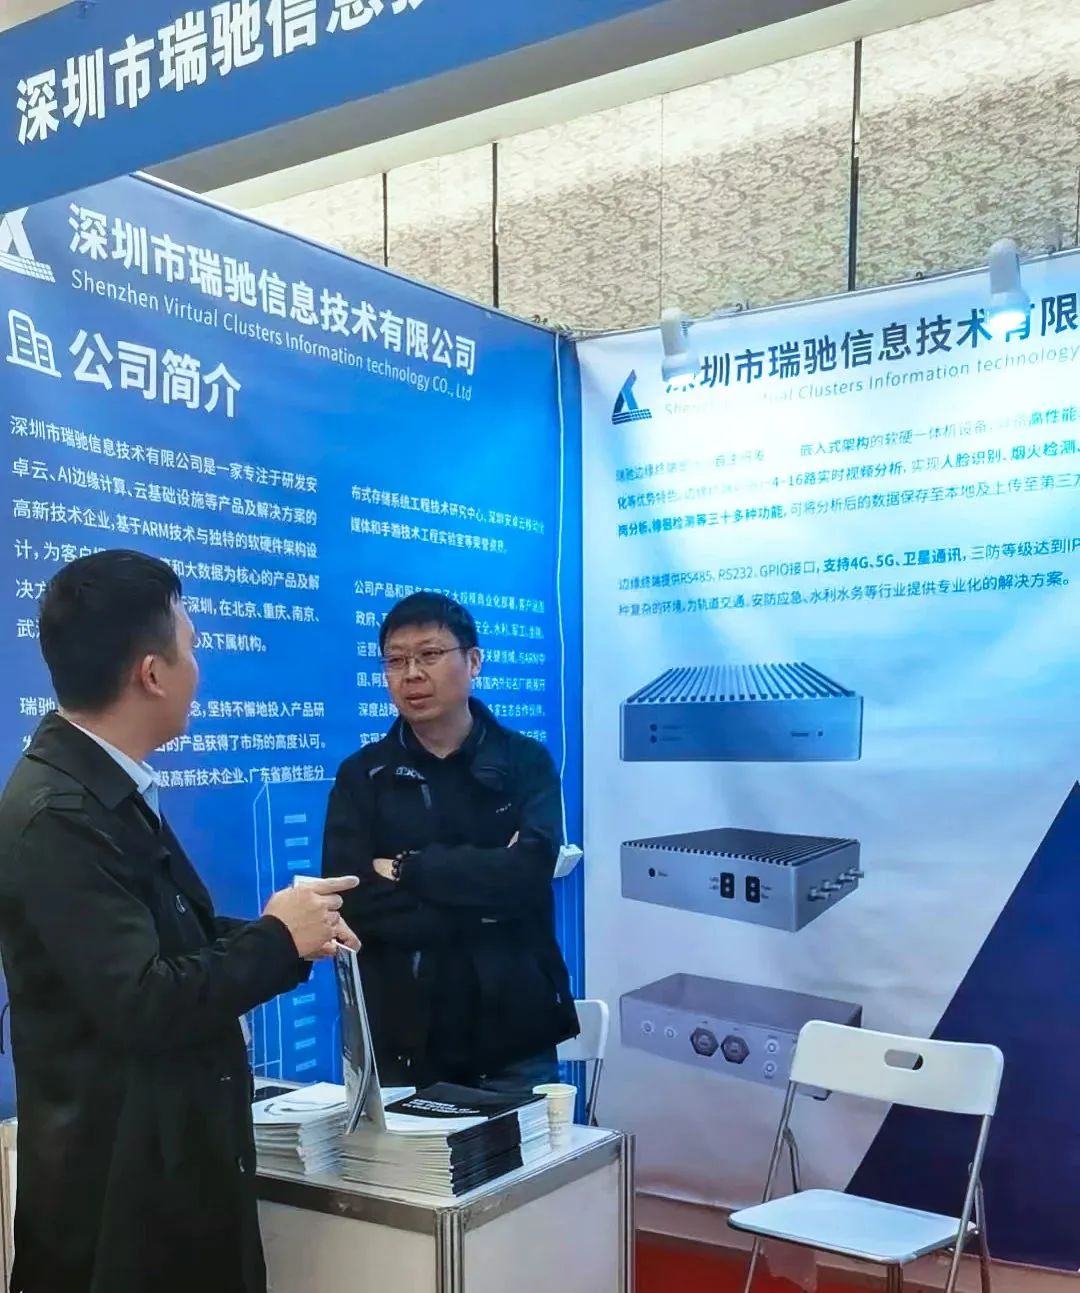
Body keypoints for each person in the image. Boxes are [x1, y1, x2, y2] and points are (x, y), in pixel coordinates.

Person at [0, 550, 360, 1293]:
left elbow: (165, 937)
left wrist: (284, 931)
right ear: (152, 674)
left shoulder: (101, 789)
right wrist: (274, 941)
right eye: (191, 647)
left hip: (161, 1180)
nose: (199, 668)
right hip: (117, 1211)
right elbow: (143, 998)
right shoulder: (58, 813)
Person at [323, 591, 579, 1091]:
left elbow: (527, 878)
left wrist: (408, 870)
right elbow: (352, 901)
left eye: (430, 654)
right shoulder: (363, 777)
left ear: (474, 661)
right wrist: (486, 897)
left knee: (524, 1147)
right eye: (396, 661)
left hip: (514, 1036)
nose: (412, 674)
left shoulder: (526, 763)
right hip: (404, 1039)